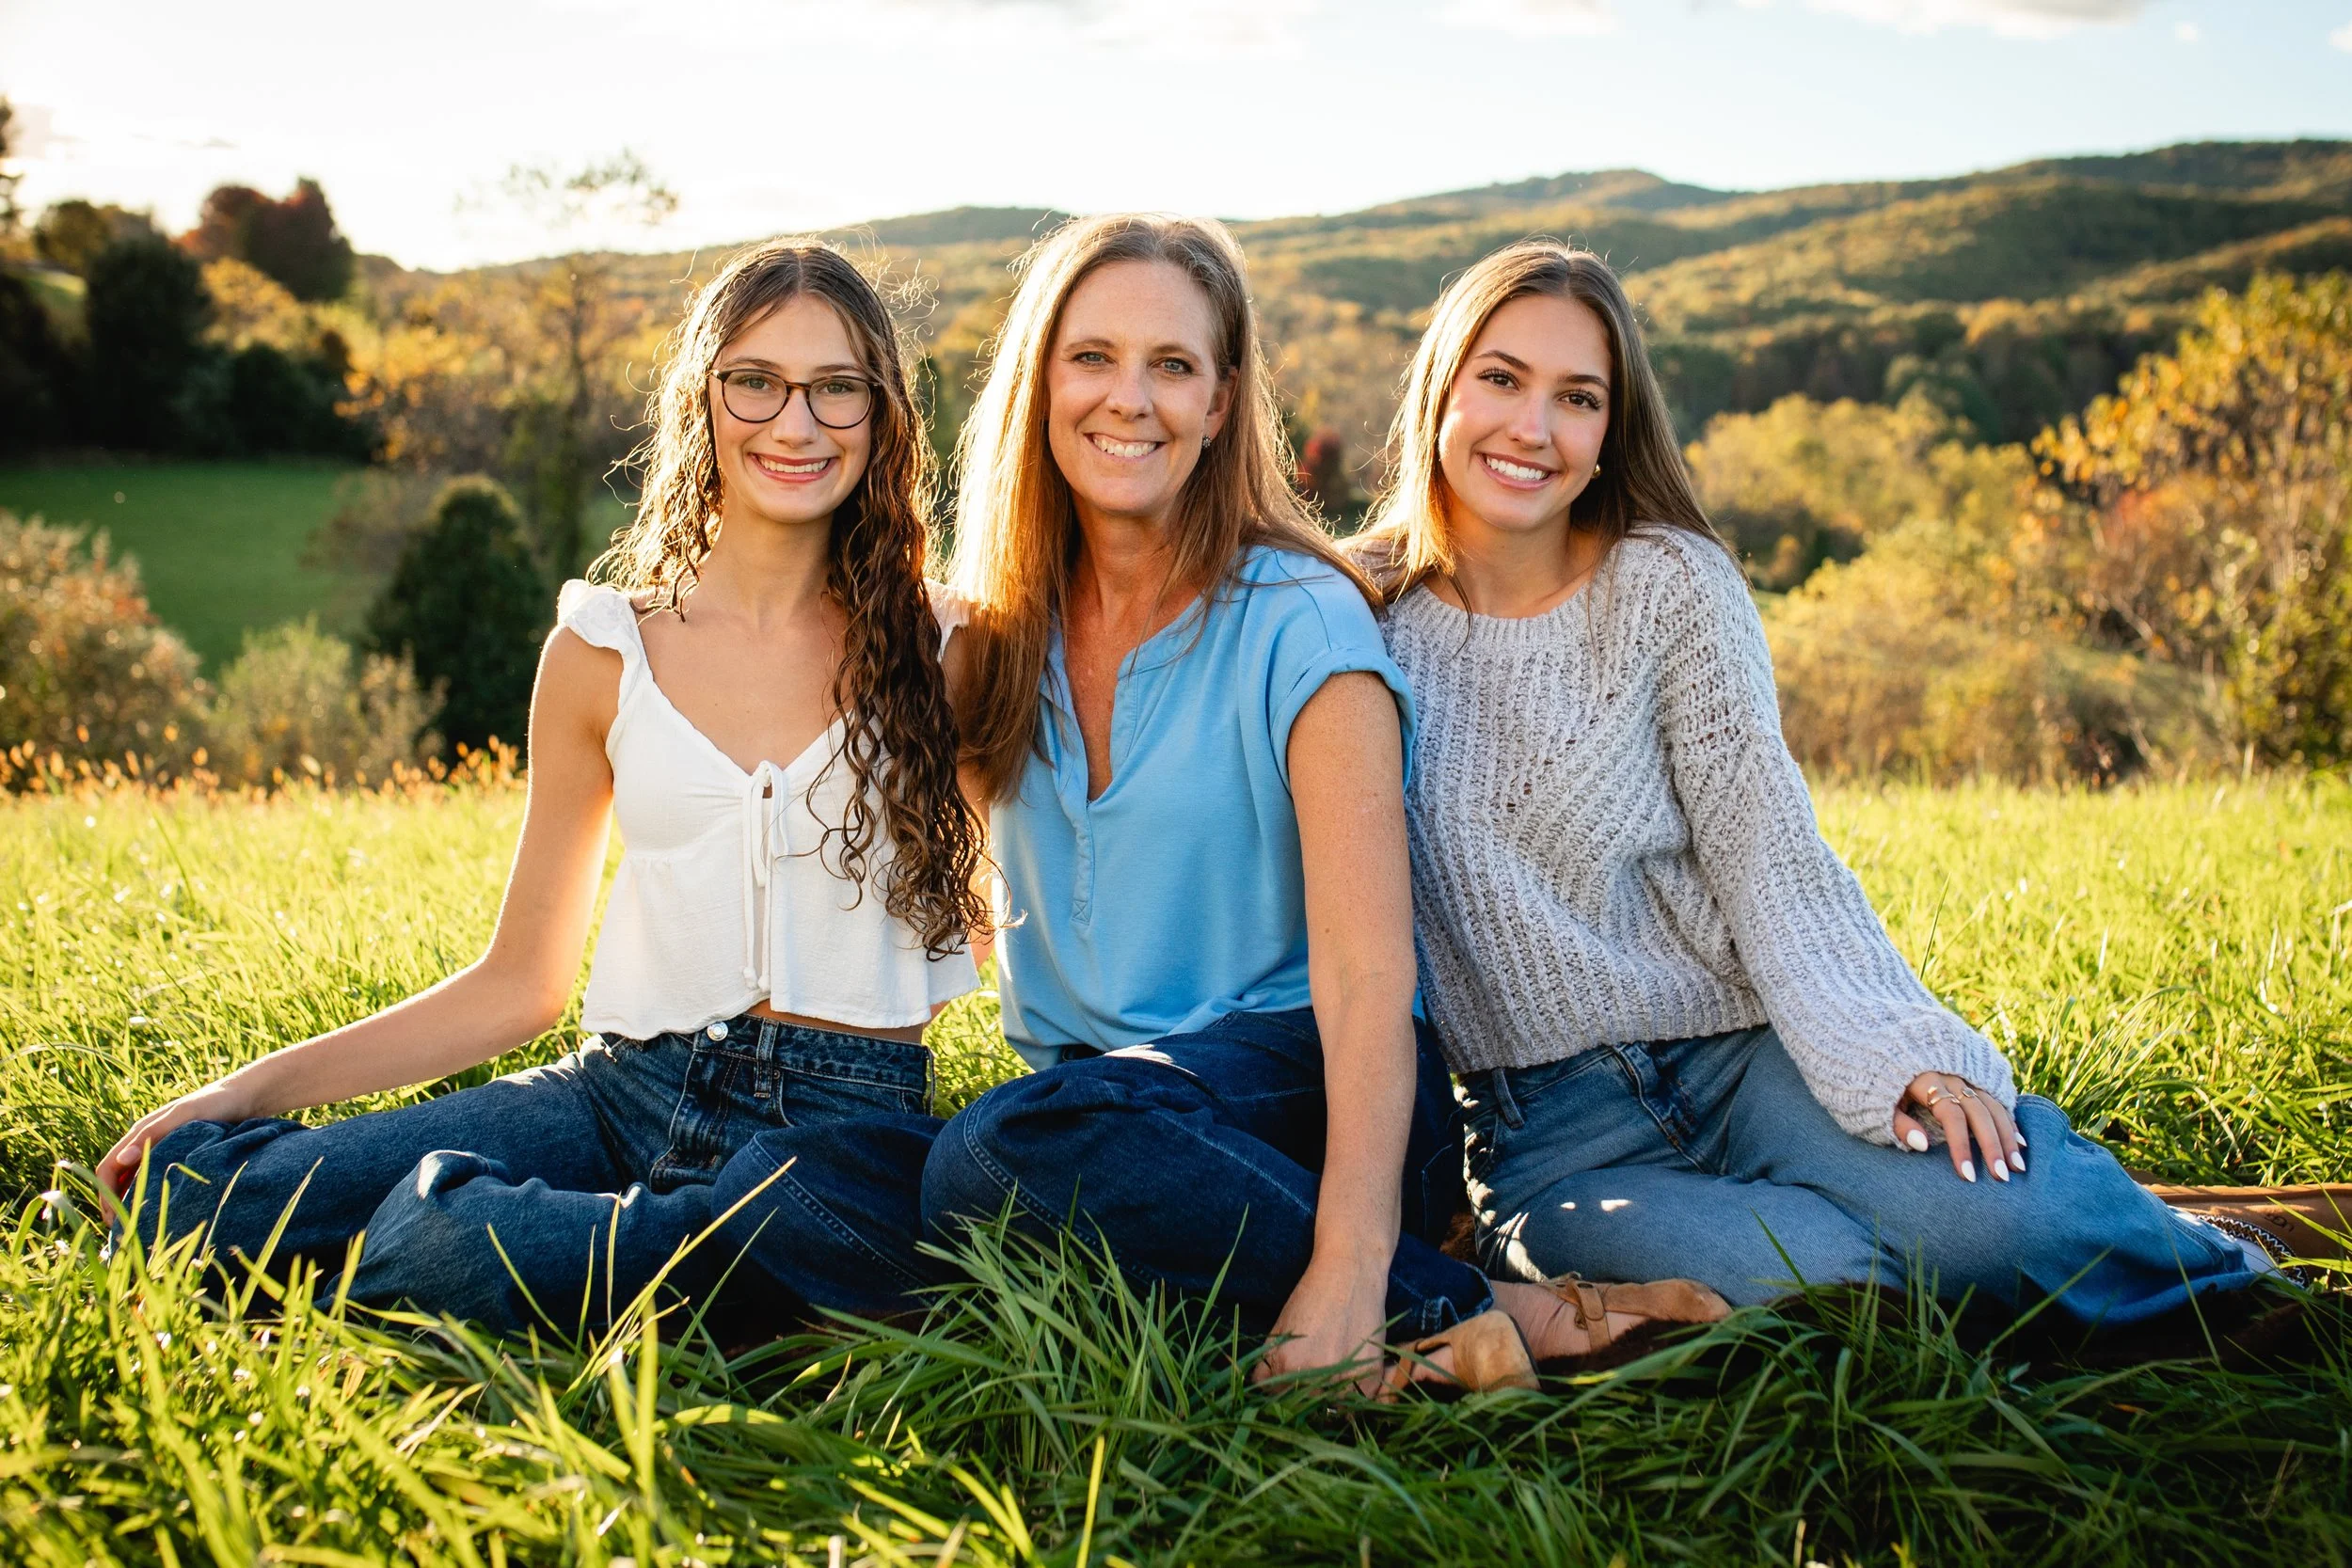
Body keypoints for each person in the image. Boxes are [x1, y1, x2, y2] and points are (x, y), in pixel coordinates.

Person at [709, 213, 1727, 1393]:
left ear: (1221, 396)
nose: (1127, 399)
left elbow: (1365, 987)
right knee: (811, 1175)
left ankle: (1455, 1307)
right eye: (1092, 357)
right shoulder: (992, 638)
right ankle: (1299, 1298)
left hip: (1309, 1095)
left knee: (1004, 1150)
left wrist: (1350, 1254)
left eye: (1172, 365)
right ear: (1041, 380)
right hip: (1098, 1112)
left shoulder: (1300, 617)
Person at [1348, 239, 2297, 1322]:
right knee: (1810, 1279)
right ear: (1442, 386)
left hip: (1747, 1063)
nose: (1533, 427)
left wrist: (1900, 1050)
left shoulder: (1670, 589)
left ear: (1611, 431)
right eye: (1502, 378)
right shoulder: (1352, 622)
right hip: (1547, 1138)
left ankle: (2231, 1272)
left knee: (2002, 1216)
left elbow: (1770, 857)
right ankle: (1980, 1258)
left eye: (1577, 397)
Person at [102, 240, 989, 1336]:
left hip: (839, 1133)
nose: (794, 423)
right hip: (618, 1092)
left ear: (883, 412)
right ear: (700, 400)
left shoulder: (950, 647)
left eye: (835, 387)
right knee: (193, 1197)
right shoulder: (602, 652)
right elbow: (519, 984)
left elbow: (1026, 913)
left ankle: (449, 1254)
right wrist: (237, 1095)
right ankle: (510, 1258)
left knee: (460, 1236)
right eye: (754, 381)